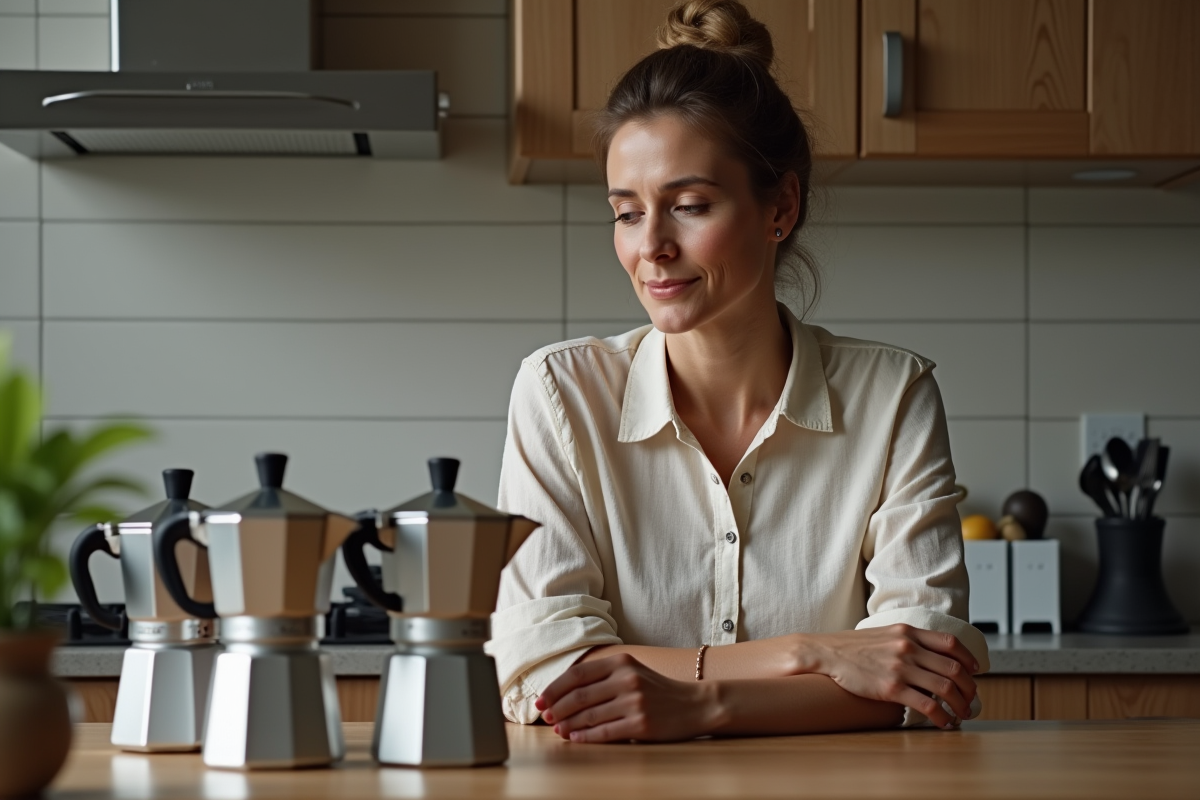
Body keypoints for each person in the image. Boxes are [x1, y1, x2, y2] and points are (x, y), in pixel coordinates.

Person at [489, 0, 989, 744]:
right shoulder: (559, 393)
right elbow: (548, 672)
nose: (650, 246)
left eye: (689, 205)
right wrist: (809, 655)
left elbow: (928, 679)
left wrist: (700, 703)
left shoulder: (893, 395)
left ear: (779, 206)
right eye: (626, 213)